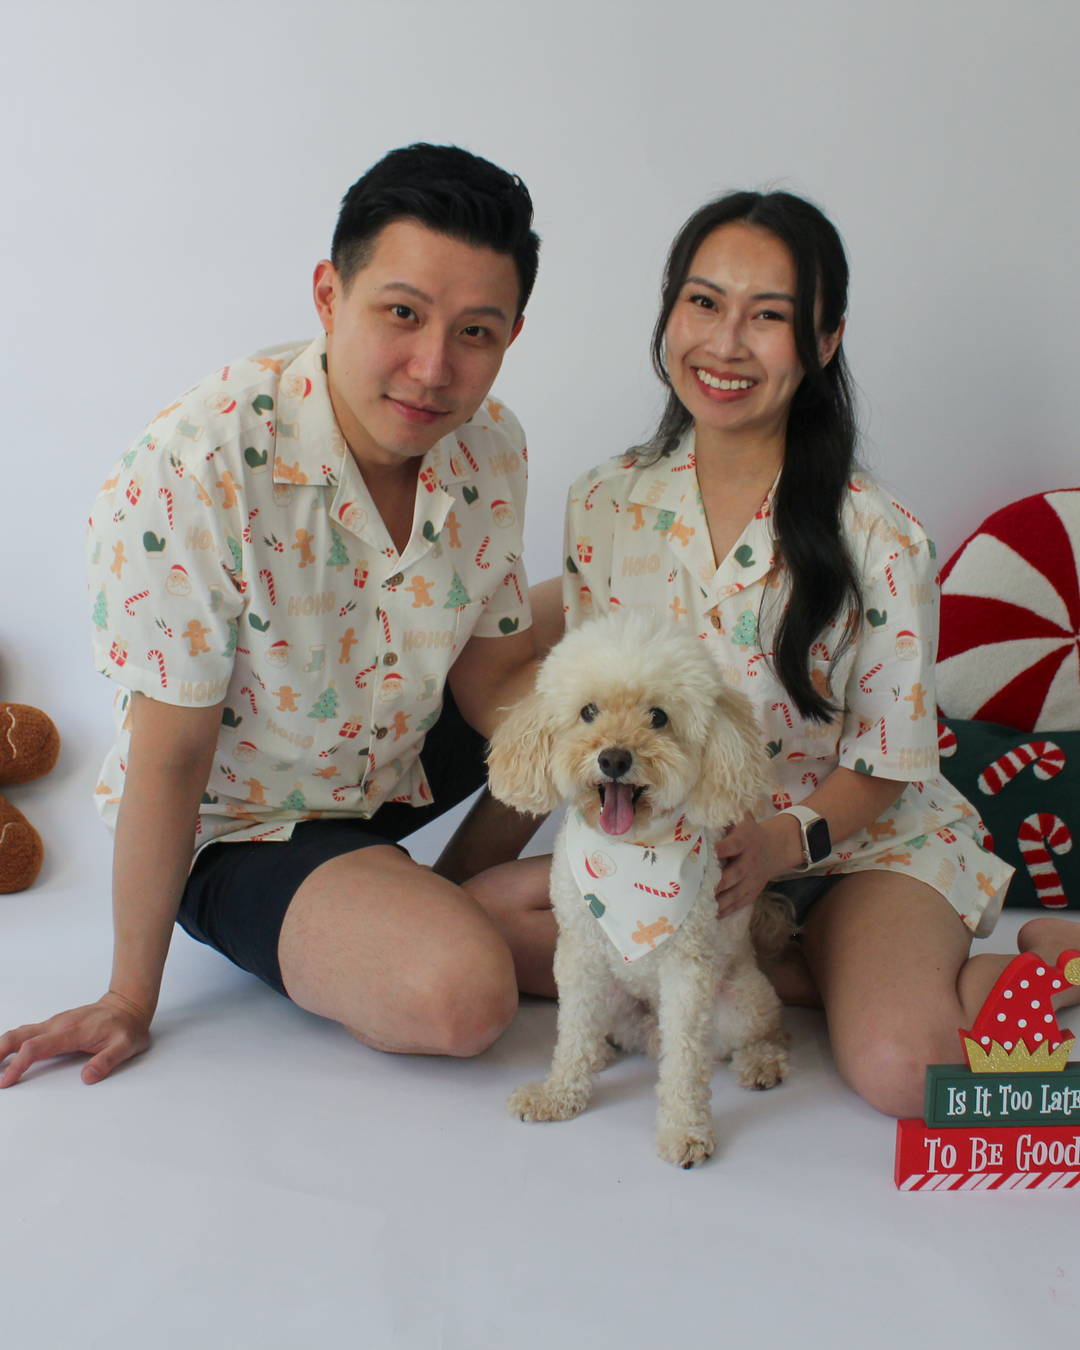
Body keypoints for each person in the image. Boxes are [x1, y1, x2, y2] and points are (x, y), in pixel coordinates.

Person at [0, 144, 557, 1089]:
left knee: (612, 631)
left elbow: (494, 681)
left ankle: (456, 891)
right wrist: (128, 998)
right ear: (329, 294)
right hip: (247, 821)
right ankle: (449, 922)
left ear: (511, 335)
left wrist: (607, 754)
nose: (432, 367)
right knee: (464, 997)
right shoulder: (198, 462)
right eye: (402, 314)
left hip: (397, 752)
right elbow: (172, 755)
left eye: (475, 332)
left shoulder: (492, 443)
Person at [561, 190, 1080, 1118]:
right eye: (704, 302)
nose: (725, 344)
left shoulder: (879, 534)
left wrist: (776, 845)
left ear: (825, 341)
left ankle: (1036, 963)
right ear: (669, 311)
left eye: (769, 317)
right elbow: (586, 714)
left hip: (856, 850)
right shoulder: (602, 504)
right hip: (683, 852)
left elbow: (890, 760)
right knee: (505, 932)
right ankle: (798, 973)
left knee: (907, 1071)